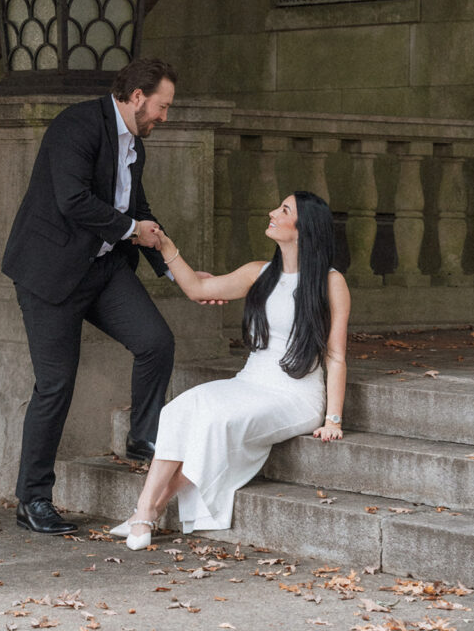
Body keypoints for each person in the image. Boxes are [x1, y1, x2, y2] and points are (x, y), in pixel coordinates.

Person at [110, 190, 350, 550]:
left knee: (215, 423)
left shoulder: (331, 283)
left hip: (295, 396)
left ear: (305, 229)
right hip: (251, 381)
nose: (272, 212)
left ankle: (146, 513)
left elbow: (335, 355)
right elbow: (198, 288)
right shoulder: (259, 273)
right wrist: (165, 246)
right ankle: (144, 510)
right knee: (179, 409)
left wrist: (333, 419)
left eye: (283, 210)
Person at [2, 58, 178, 534]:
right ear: (137, 96)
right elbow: (72, 200)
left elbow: (138, 210)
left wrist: (175, 269)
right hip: (50, 273)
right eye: (162, 106)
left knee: (156, 342)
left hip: (101, 268)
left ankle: (143, 437)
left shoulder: (136, 147)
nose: (165, 117)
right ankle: (32, 500)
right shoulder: (76, 125)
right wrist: (129, 229)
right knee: (55, 386)